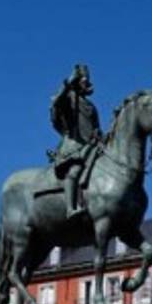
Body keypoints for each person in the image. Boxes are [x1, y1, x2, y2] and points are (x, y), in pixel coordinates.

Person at [48, 64, 103, 219]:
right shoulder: (70, 99)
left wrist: (99, 134)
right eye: (83, 80)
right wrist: (68, 82)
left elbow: (96, 127)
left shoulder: (91, 107)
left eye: (87, 80)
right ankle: (70, 208)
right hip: (74, 147)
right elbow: (57, 104)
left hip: (92, 147)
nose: (85, 83)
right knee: (75, 171)